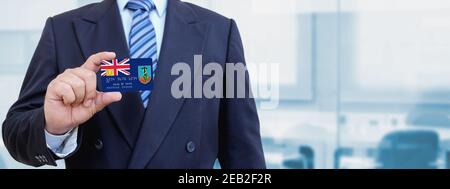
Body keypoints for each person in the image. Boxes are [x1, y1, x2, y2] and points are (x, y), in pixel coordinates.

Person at [2, 0, 265, 169]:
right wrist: (53, 127)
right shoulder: (63, 29)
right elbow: (16, 134)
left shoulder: (220, 30)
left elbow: (244, 154)